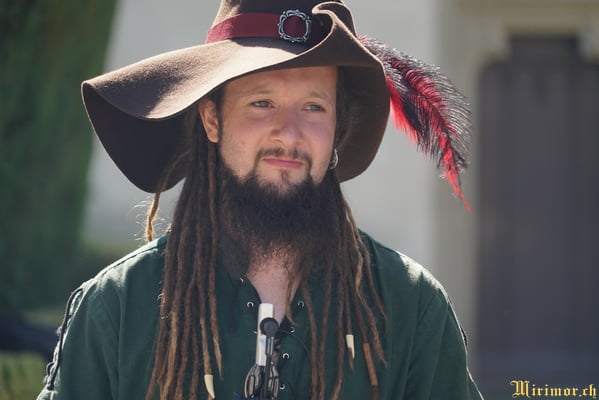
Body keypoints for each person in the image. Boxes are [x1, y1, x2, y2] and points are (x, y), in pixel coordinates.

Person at [37, 1, 483, 399]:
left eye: (313, 107)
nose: (289, 133)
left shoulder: (410, 306)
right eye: (262, 103)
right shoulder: (118, 308)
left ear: (336, 131)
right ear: (212, 119)